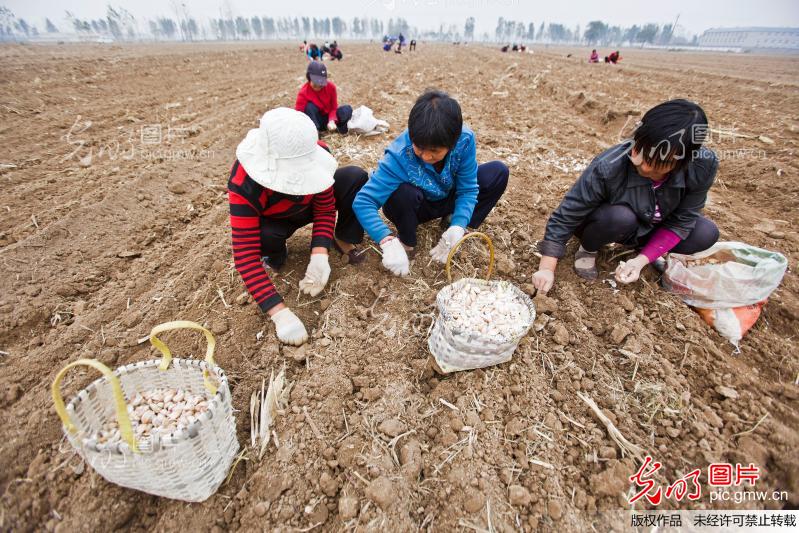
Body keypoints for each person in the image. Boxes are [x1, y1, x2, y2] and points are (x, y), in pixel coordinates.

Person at [531, 99, 719, 294]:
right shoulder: (610, 165)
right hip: (610, 224)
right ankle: (588, 248)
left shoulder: (702, 166)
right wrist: (546, 269)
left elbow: (682, 221)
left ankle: (648, 251)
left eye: (656, 163)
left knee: (705, 233)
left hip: (651, 227)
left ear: (682, 162)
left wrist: (640, 261)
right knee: (620, 217)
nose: (642, 165)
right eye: (640, 150)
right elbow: (567, 215)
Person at [229, 108, 368, 345]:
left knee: (354, 176)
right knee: (264, 236)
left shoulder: (315, 153)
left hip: (306, 207)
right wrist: (280, 314)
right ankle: (276, 255)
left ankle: (341, 237)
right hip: (275, 221)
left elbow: (324, 209)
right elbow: (245, 255)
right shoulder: (245, 181)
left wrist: (319, 253)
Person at [353, 90, 509, 277]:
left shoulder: (464, 140)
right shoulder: (399, 154)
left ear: (452, 143)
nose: (426, 156)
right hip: (417, 207)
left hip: (447, 195)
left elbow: (468, 188)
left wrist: (459, 223)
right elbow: (364, 201)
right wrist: (387, 240)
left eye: (434, 150)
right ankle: (406, 242)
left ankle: (452, 222)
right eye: (420, 148)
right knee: (402, 193)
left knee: (497, 172)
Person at [295, 61, 353, 134]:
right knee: (309, 107)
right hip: (315, 120)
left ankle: (337, 129)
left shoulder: (331, 87)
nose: (318, 87)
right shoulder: (303, 93)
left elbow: (333, 108)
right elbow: (299, 115)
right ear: (309, 78)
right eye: (315, 84)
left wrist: (332, 120)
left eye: (321, 84)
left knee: (347, 109)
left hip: (328, 118)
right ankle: (315, 132)